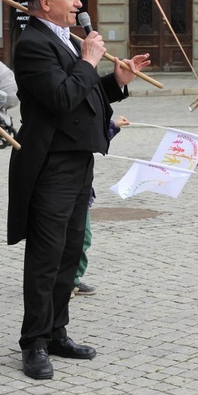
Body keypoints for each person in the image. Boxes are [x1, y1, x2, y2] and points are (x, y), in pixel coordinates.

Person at [7, 0, 150, 380]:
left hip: (78, 161)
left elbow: (85, 94)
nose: (79, 4)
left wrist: (115, 83)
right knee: (46, 256)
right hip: (50, 165)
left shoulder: (66, 39)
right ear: (46, 2)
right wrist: (89, 61)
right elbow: (61, 97)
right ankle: (33, 342)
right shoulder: (33, 44)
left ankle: (56, 331)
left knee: (70, 254)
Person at [73, 115, 130, 297]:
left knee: (83, 237)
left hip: (81, 190)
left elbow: (93, 138)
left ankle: (71, 279)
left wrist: (113, 126)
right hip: (64, 188)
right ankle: (62, 281)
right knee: (67, 237)